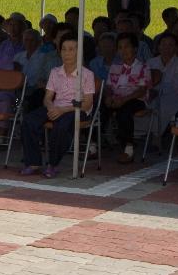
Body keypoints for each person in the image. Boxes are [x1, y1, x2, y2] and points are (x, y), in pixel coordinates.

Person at [19, 32, 96, 179]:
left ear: (79, 52)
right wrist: (51, 107)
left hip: (76, 109)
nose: (67, 53)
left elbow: (87, 104)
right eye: (64, 49)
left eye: (72, 49)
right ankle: (33, 162)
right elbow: (47, 98)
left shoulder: (87, 74)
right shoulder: (55, 72)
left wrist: (63, 109)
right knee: (29, 120)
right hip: (56, 107)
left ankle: (52, 164)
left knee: (61, 126)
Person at [105, 32, 151, 164]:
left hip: (135, 100)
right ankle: (93, 145)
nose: (123, 50)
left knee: (124, 111)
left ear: (135, 49)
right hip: (116, 98)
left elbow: (142, 90)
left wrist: (123, 100)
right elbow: (108, 86)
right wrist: (108, 97)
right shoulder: (115, 67)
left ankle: (128, 148)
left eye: (127, 47)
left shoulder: (143, 67)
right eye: (120, 47)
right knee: (100, 107)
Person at [147, 33, 178, 139]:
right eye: (164, 44)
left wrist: (159, 91)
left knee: (163, 105)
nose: (167, 48)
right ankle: (144, 133)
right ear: (158, 46)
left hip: (174, 95)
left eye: (171, 45)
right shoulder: (151, 62)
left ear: (176, 48)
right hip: (152, 94)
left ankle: (156, 136)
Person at [15, 28, 60, 114]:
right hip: (19, 88)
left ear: (38, 42)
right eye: (26, 40)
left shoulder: (44, 57)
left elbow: (43, 76)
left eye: (32, 40)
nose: (28, 43)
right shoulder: (18, 57)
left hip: (36, 88)